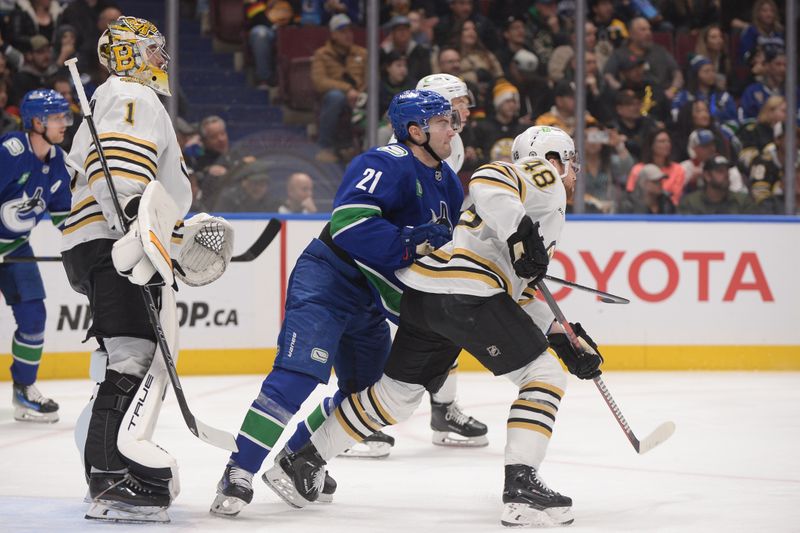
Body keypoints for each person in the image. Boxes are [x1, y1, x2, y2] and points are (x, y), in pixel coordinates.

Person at [262, 126, 604, 529]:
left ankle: (302, 459)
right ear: (553, 158)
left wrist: (561, 334)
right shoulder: (544, 180)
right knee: (543, 375)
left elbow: (520, 290)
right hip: (467, 292)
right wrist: (519, 230)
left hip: (430, 294)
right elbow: (489, 178)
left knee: (396, 396)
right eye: (570, 159)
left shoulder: (537, 209)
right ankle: (523, 488)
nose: (575, 169)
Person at [210, 89, 464, 517]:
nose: (452, 129)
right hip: (329, 280)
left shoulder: (450, 185)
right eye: (442, 122)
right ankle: (239, 470)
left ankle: (296, 458)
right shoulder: (384, 162)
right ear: (416, 131)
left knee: (367, 394)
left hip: (369, 297)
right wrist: (409, 240)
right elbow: (348, 224)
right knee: (297, 377)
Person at [61, 17, 193, 523]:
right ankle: (113, 482)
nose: (162, 60)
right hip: (117, 241)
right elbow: (119, 171)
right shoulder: (131, 94)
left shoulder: (120, 96)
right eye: (154, 50)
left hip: (107, 240)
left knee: (122, 356)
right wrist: (141, 235)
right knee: (134, 356)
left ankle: (106, 468)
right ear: (129, 54)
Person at [0, 89, 71, 423]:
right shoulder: (10, 152)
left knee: (34, 319)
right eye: (57, 117)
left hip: (14, 249)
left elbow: (64, 219)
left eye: (64, 117)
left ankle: (24, 392)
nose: (64, 123)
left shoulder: (57, 161)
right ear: (37, 121)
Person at [678, 156, 754, 215]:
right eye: (720, 171)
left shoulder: (742, 201)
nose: (726, 175)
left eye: (727, 170)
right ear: (707, 176)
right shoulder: (690, 202)